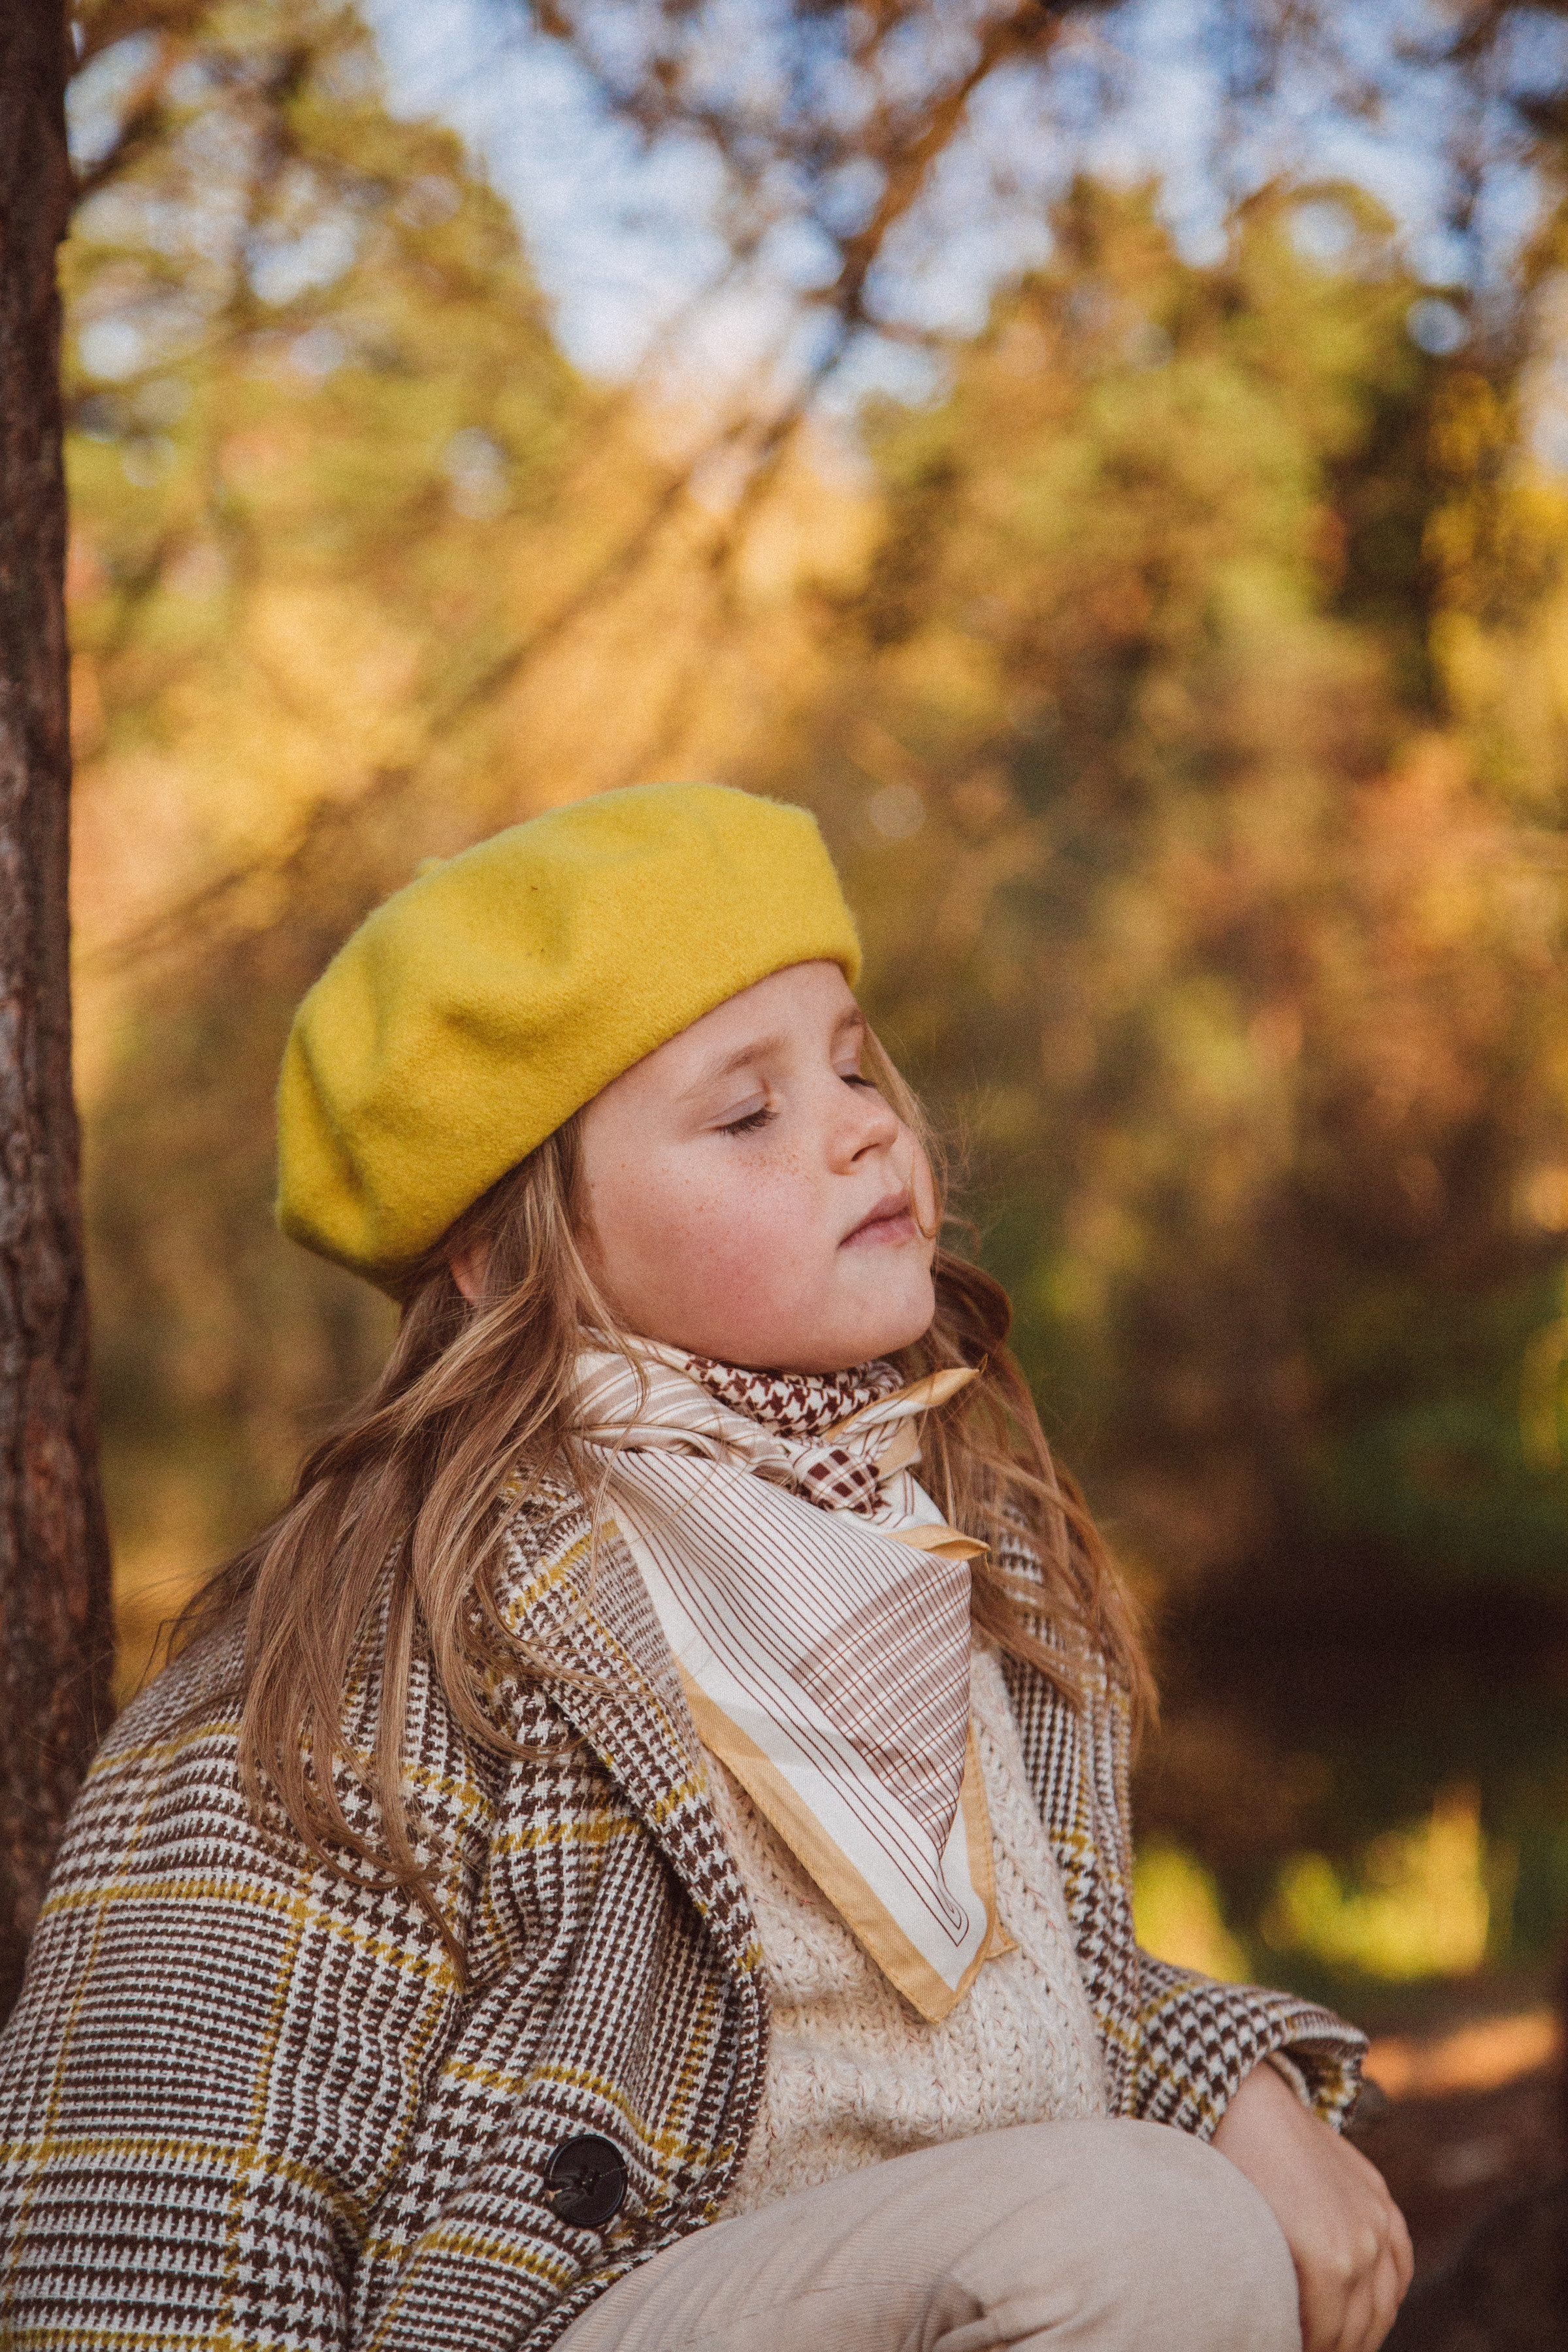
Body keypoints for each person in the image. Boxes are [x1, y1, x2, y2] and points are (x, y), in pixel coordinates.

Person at [0, 783, 1411, 2352]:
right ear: (508, 1252)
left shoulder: (937, 1542)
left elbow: (974, 2018)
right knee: (1144, 2234)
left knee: (1173, 2222)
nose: (866, 1126)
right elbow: (157, 2199)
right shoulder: (388, 1639)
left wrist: (1229, 2082)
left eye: (855, 1065)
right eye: (749, 1114)